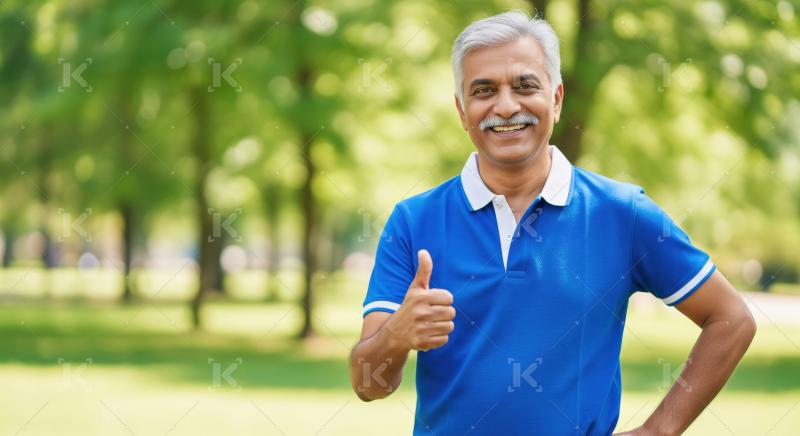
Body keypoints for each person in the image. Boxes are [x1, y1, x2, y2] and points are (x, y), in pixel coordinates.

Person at [349, 10, 756, 435]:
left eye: (525, 86)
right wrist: (396, 334)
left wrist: (659, 429)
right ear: (461, 109)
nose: (505, 106)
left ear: (557, 99)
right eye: (483, 90)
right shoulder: (413, 221)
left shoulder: (622, 213)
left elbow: (731, 318)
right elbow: (366, 385)